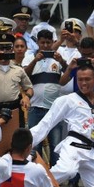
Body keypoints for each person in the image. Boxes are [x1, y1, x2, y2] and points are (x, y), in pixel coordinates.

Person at [59, 37, 94, 187]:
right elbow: (62, 82)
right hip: (79, 108)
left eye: (89, 55)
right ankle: (74, 180)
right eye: (83, 54)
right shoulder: (77, 63)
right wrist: (70, 69)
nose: (86, 58)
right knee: (77, 144)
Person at [23, 29, 66, 166]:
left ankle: (56, 176)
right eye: (43, 43)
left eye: (48, 42)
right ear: (38, 43)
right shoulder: (30, 56)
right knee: (35, 144)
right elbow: (25, 75)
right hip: (35, 108)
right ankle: (38, 172)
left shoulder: (59, 56)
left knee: (56, 144)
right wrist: (35, 60)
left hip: (54, 109)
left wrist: (62, 61)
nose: (46, 46)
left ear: (53, 42)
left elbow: (69, 72)